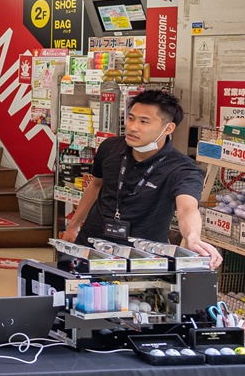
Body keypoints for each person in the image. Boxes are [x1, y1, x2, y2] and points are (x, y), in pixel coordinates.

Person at [64, 87, 221, 267]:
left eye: (144, 121)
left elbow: (187, 208)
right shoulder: (110, 148)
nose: (132, 127)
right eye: (131, 118)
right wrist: (73, 226)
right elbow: (96, 185)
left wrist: (193, 238)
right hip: (91, 247)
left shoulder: (183, 169)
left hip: (143, 260)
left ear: (168, 128)